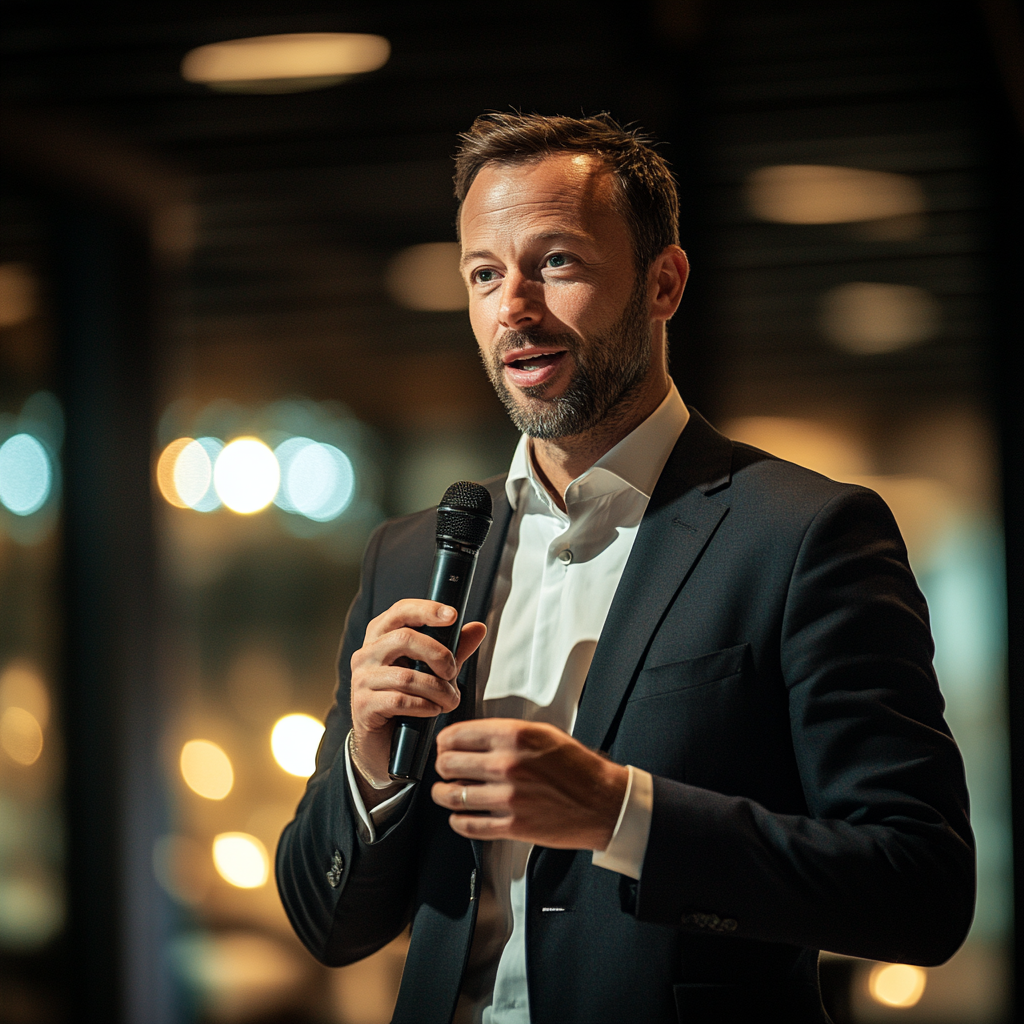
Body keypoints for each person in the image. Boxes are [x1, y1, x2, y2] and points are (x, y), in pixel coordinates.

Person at [276, 113, 974, 1024]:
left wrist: (621, 814)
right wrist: (371, 773)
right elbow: (328, 925)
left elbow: (920, 889)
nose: (513, 307)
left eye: (556, 262)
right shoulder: (412, 553)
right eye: (484, 274)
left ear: (665, 283)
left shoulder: (805, 536)